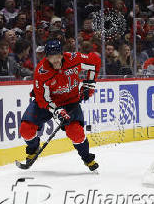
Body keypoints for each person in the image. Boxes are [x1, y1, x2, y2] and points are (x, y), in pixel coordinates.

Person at [19, 39, 101, 171]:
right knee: (26, 129)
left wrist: (88, 85)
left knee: (76, 133)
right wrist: (57, 111)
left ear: (62, 54)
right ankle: (33, 149)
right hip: (47, 103)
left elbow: (94, 61)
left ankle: (87, 157)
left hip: (70, 102)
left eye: (58, 56)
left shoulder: (73, 59)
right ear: (46, 57)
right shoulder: (41, 72)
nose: (56, 60)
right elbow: (42, 99)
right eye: (51, 57)